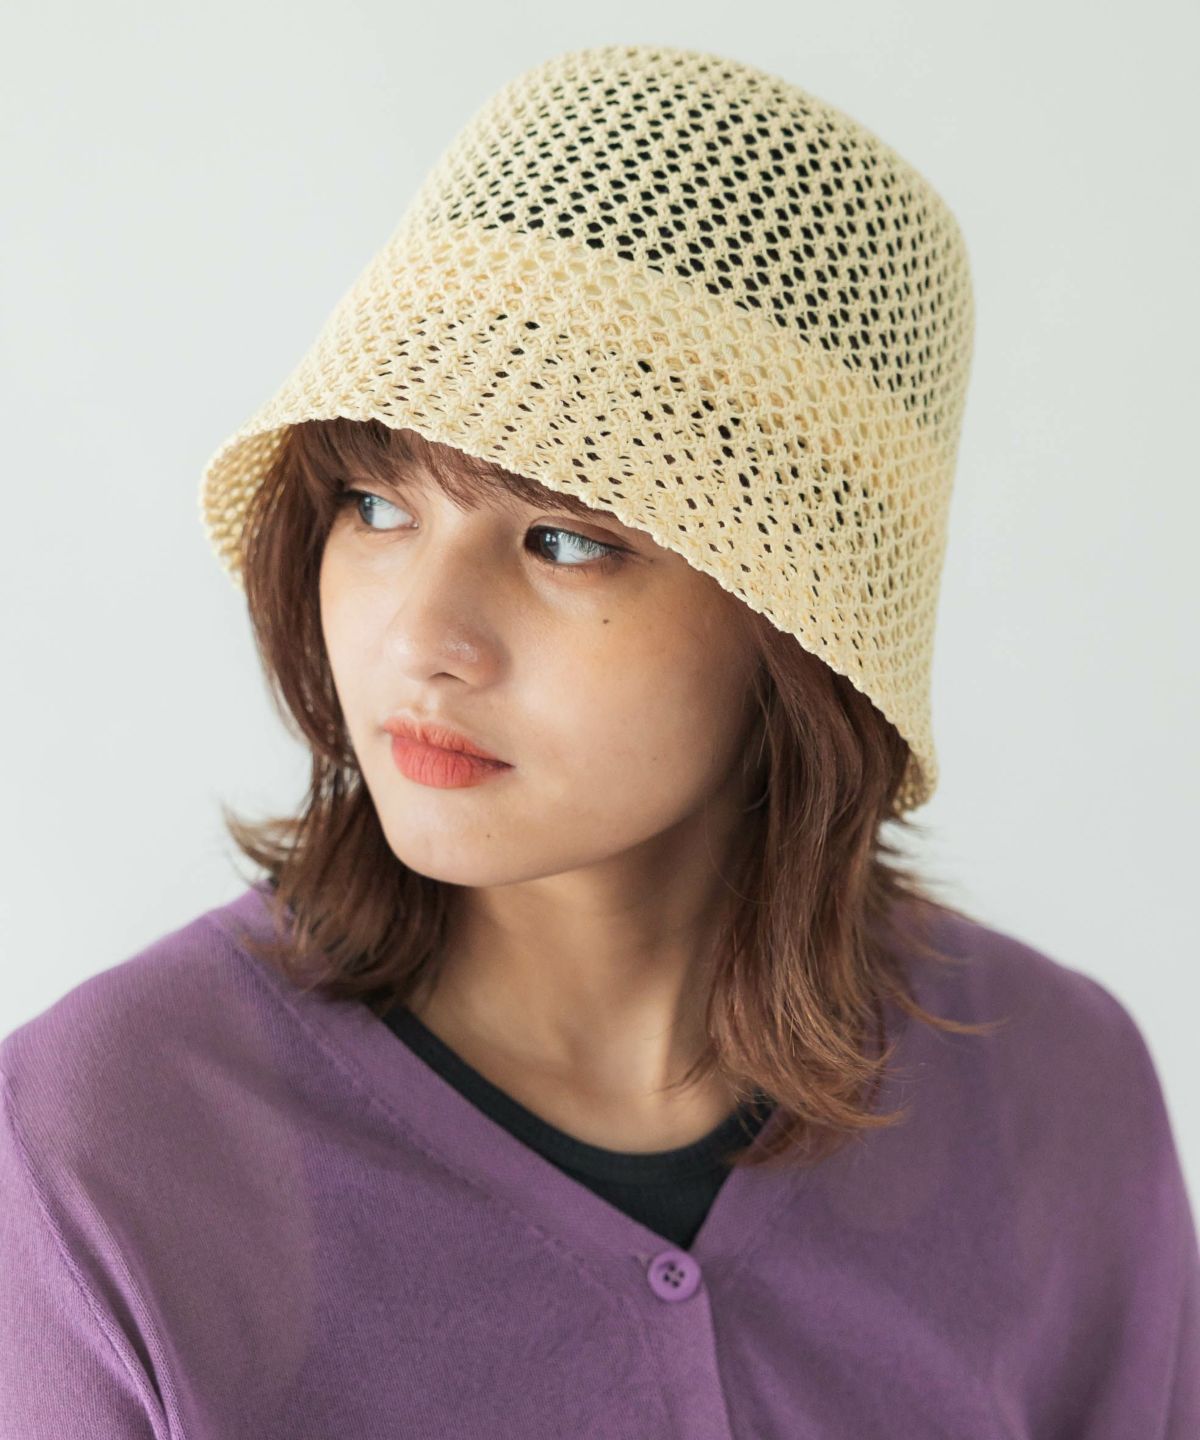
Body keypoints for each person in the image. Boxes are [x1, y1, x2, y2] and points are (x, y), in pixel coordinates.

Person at [2, 42, 1196, 1439]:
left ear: (799, 627)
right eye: (377, 507)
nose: (423, 636)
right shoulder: (101, 1149)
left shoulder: (1054, 1096)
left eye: (565, 541)